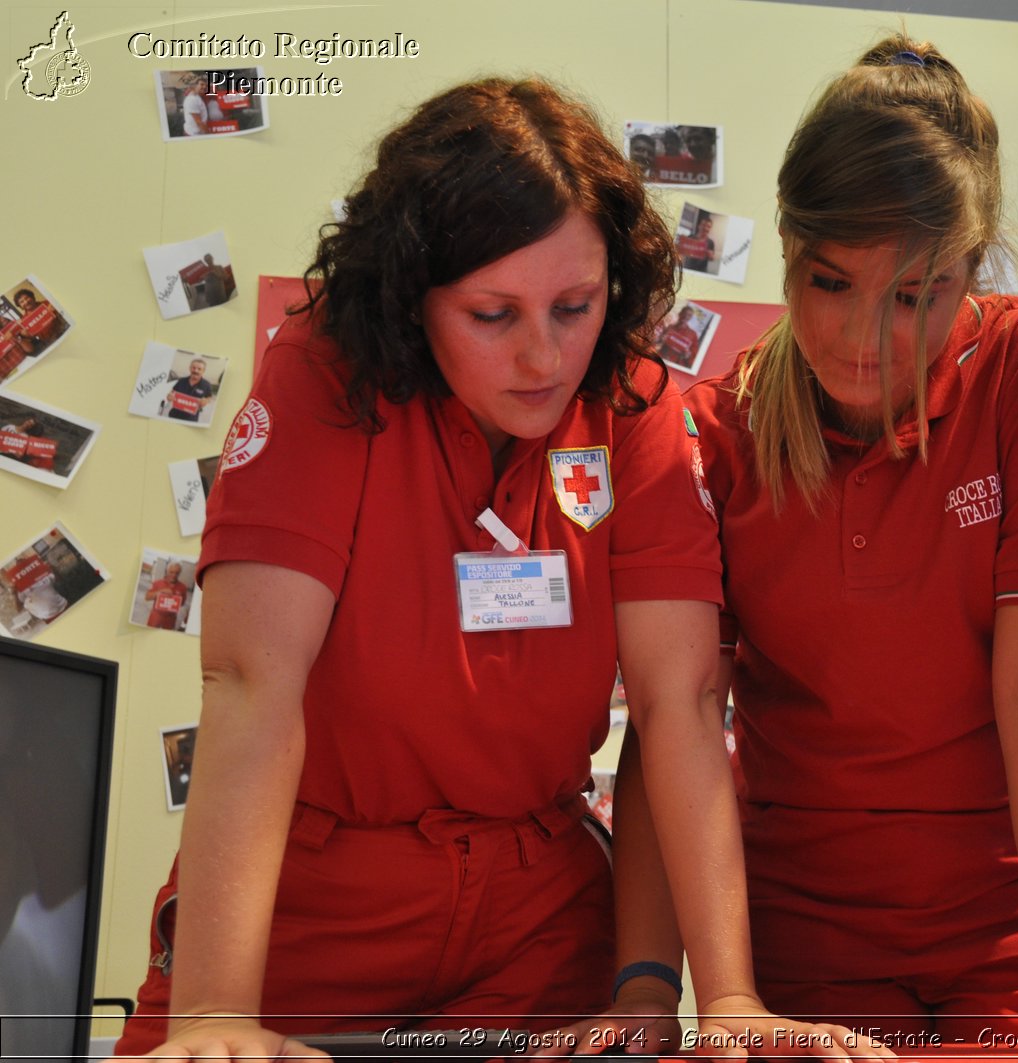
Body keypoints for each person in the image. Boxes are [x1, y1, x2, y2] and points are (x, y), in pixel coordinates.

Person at [113, 77, 879, 1063]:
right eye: (490, 314)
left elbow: (677, 705)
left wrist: (719, 994)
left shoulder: (637, 407)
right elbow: (254, 683)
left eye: (575, 305)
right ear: (411, 294)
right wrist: (217, 1011)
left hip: (534, 918)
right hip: (314, 905)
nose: (544, 355)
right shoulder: (323, 374)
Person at [684, 37, 1018, 1054]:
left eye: (915, 295)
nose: (865, 337)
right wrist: (686, 987)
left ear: (971, 272)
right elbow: (682, 717)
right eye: (829, 282)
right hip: (814, 932)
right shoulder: (718, 429)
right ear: (784, 245)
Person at [142, 561, 190, 631]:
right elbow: (147, 597)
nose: (174, 575)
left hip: (170, 620)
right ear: (167, 571)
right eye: (171, 572)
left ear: (179, 573)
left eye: (177, 573)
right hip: (156, 617)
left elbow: (182, 603)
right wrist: (159, 592)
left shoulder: (183, 587)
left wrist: (175, 599)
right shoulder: (157, 583)